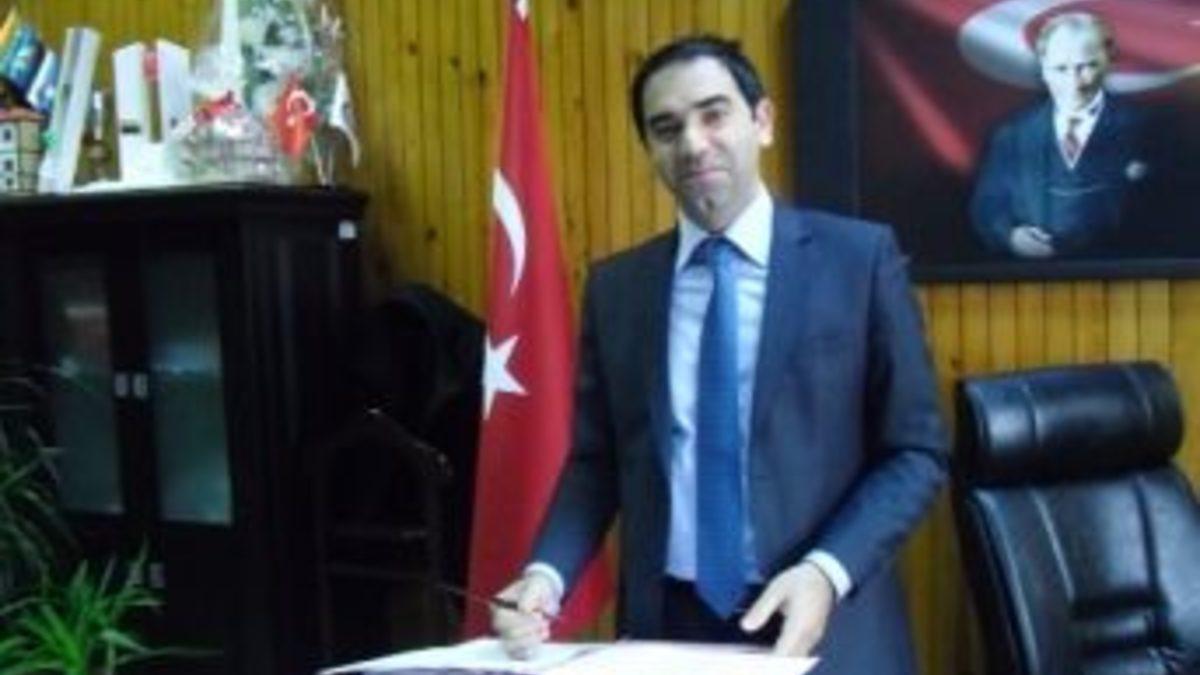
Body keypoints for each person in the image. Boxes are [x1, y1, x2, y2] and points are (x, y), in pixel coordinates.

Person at [491, 35, 947, 674]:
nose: (693, 143)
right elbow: (598, 461)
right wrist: (546, 573)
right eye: (667, 128)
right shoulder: (619, 289)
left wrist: (826, 571)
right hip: (666, 630)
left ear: (762, 121)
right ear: (650, 150)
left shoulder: (859, 262)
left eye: (714, 114)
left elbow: (915, 451)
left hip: (828, 623)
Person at [970, 11, 1151, 258]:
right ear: (1043, 70)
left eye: (1086, 66)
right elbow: (988, 205)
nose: (1074, 83)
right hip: (1037, 278)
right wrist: (1011, 237)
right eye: (1061, 69)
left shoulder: (1145, 129)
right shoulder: (1013, 134)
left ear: (1108, 62)